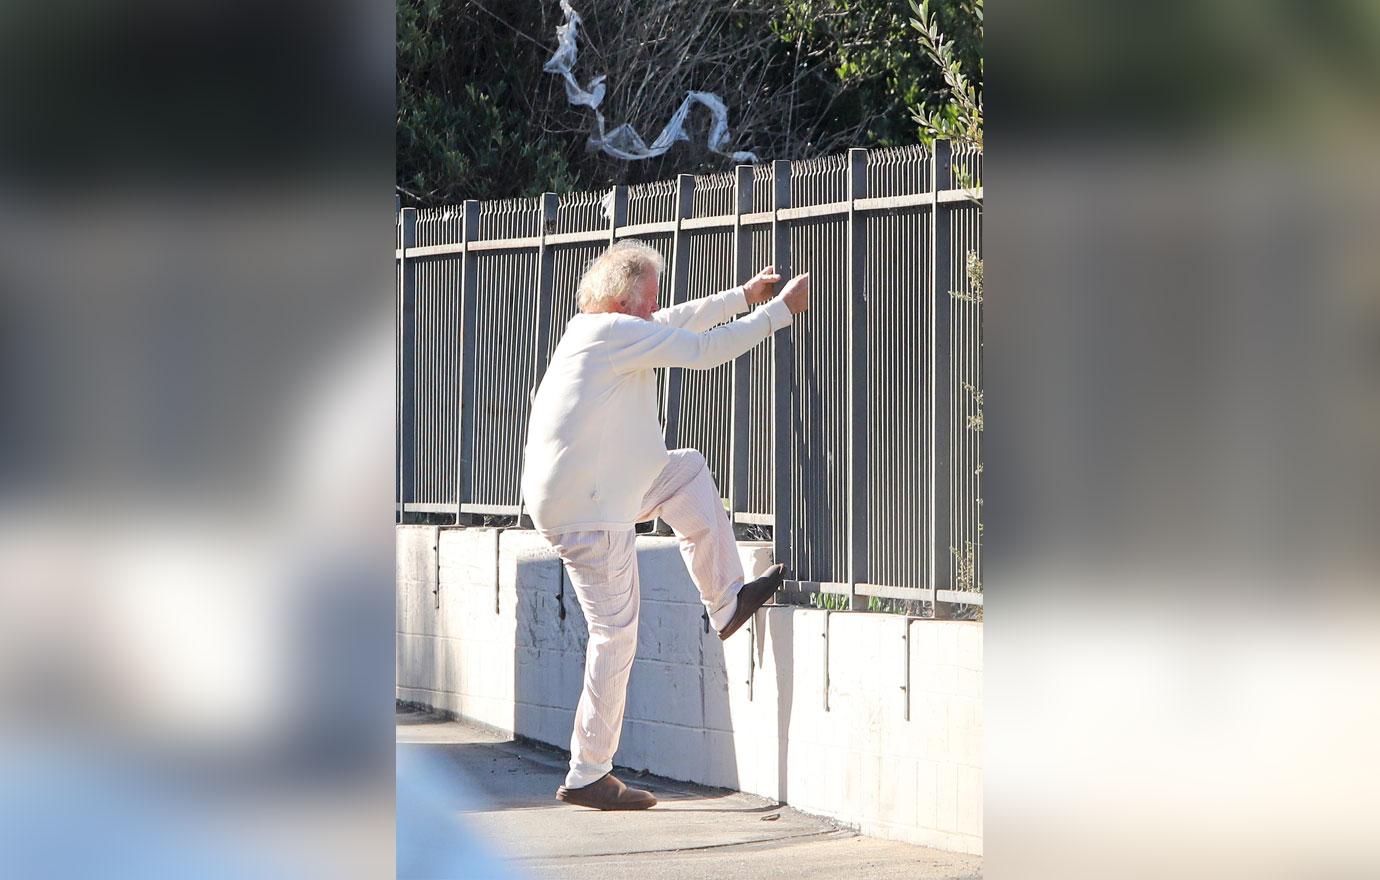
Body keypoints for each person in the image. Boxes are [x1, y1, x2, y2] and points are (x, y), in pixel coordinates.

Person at [521, 238, 810, 811]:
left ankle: (726, 600)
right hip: (592, 508)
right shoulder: (615, 335)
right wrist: (777, 313)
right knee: (615, 632)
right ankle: (588, 772)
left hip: (597, 489)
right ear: (626, 302)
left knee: (686, 473)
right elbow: (701, 351)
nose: (655, 310)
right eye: (648, 301)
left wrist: (741, 296)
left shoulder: (597, 331)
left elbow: (677, 322)